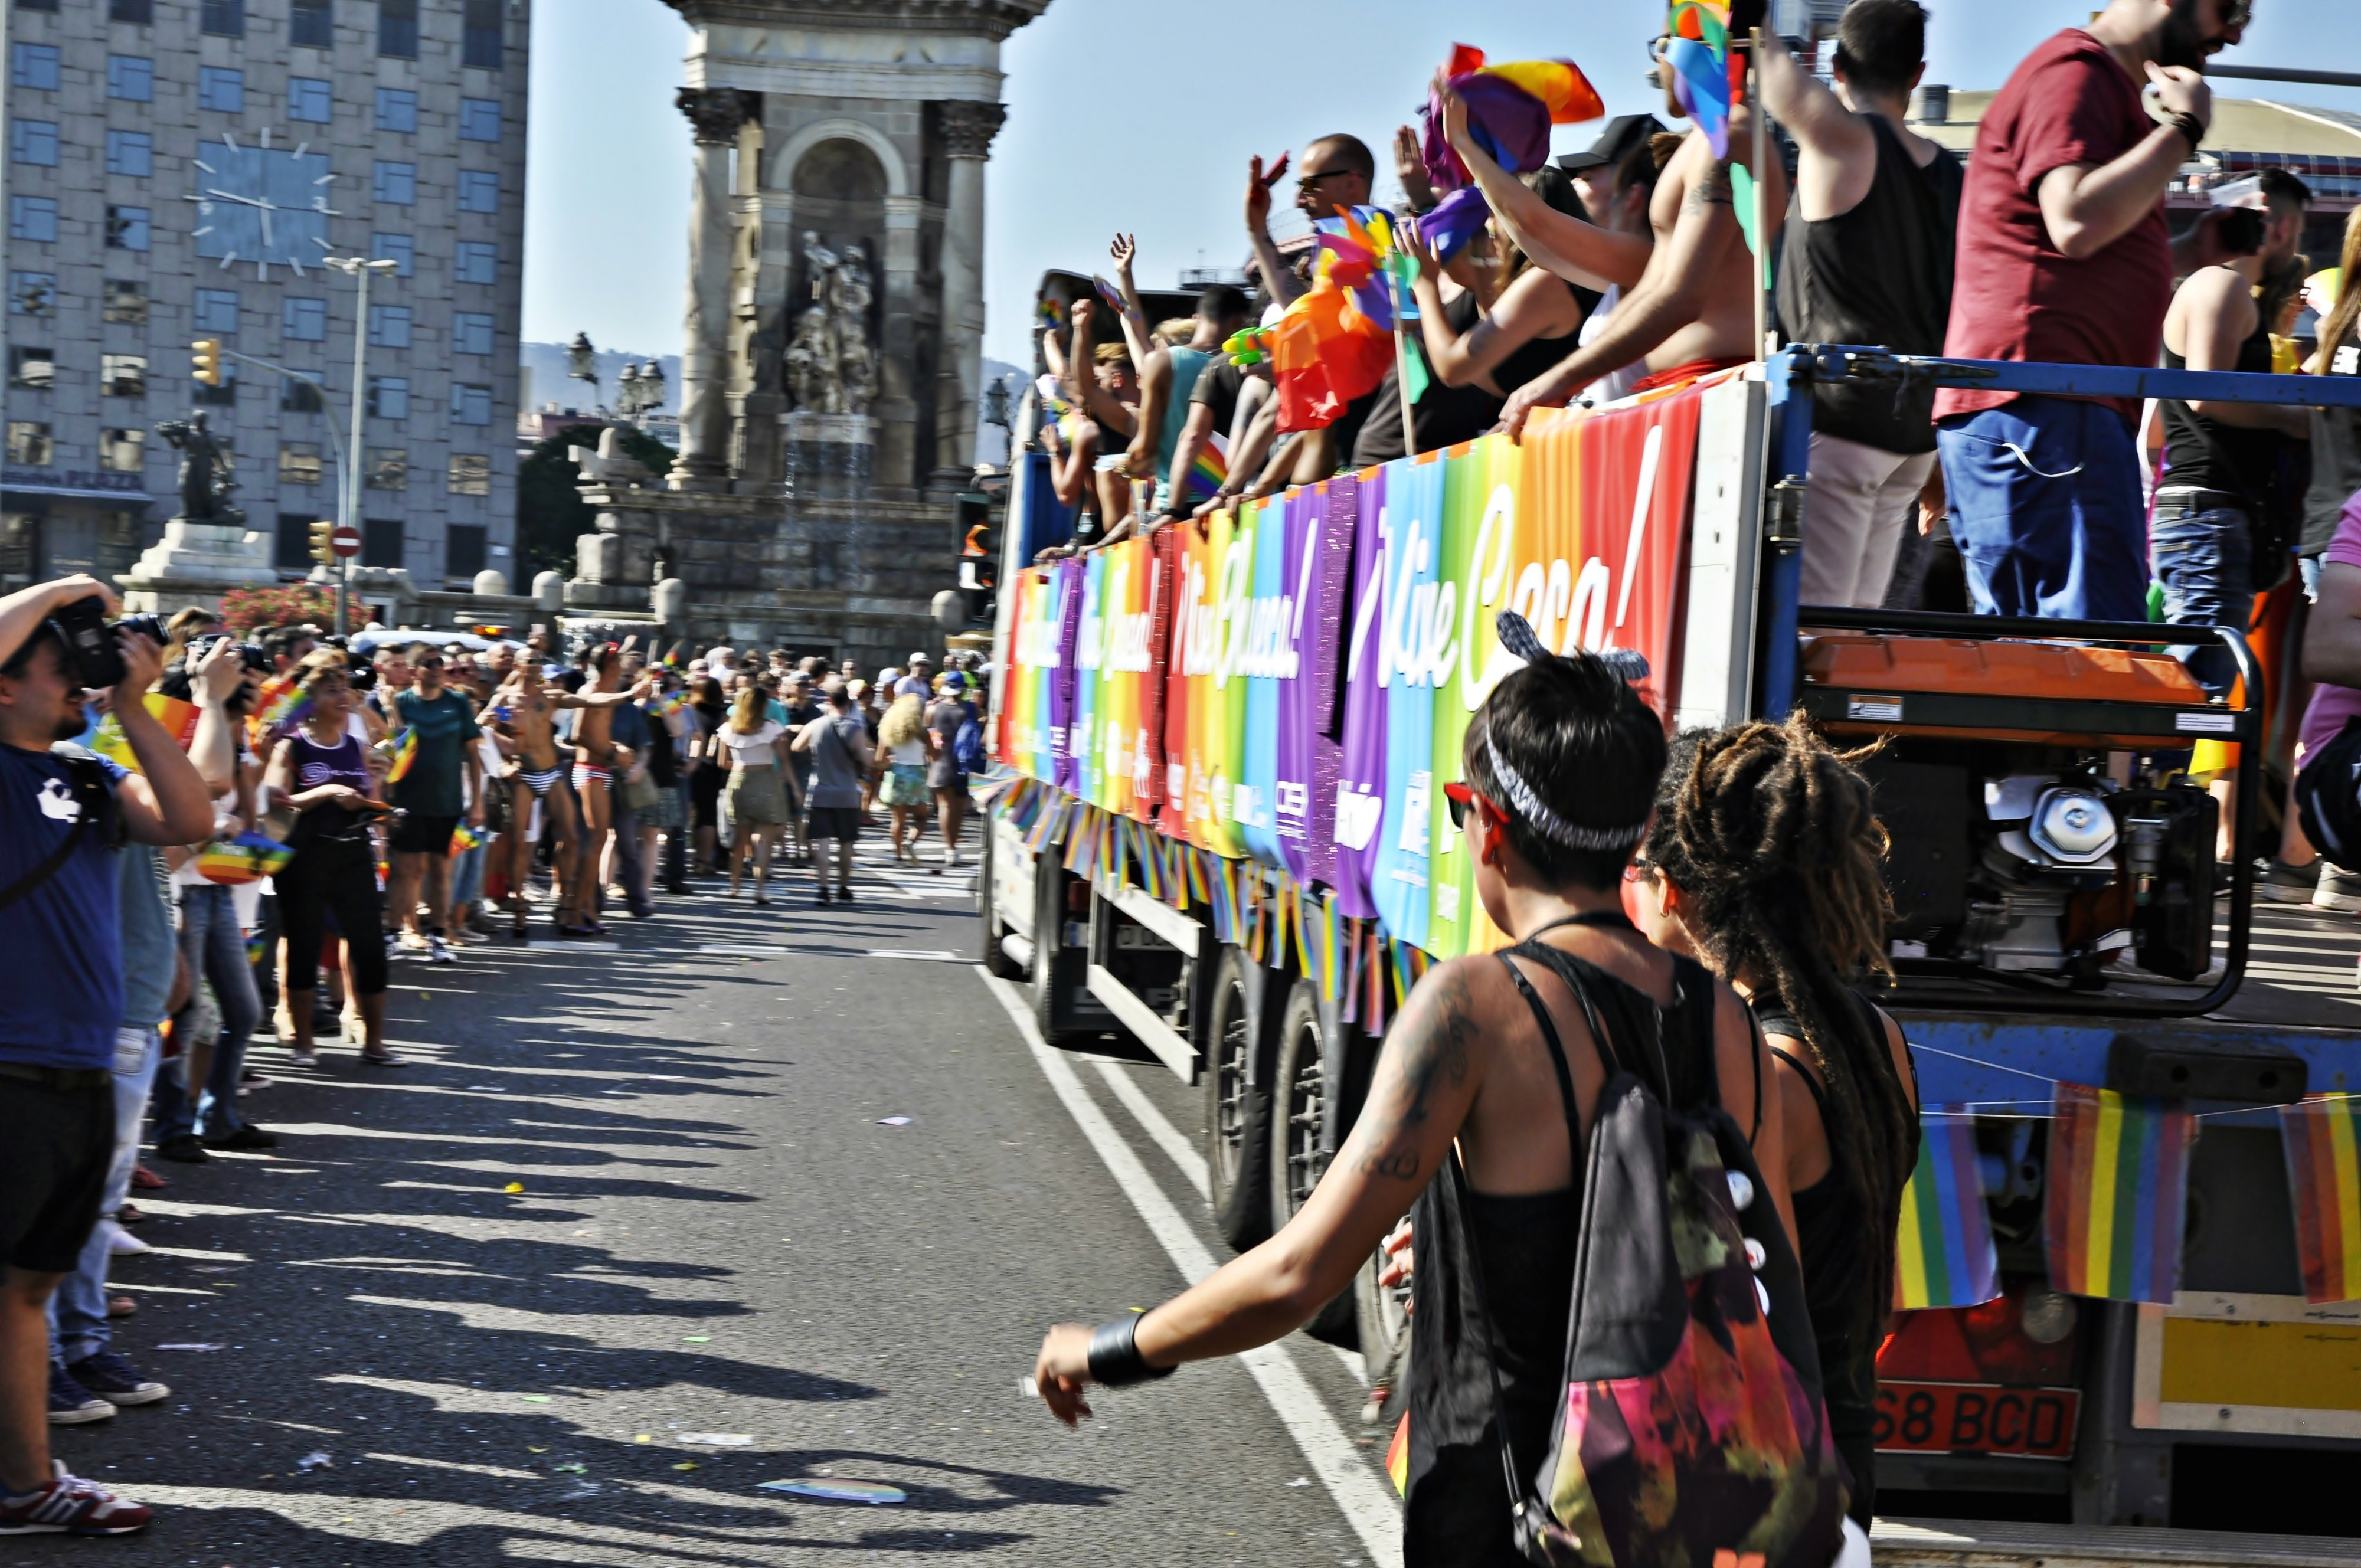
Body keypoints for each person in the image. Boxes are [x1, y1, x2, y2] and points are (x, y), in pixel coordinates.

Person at [1030, 639, 1787, 1568]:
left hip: (1509, 1519)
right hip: (1686, 1521)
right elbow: (1766, 1290)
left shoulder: (1475, 1009)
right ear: (1634, 835)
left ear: (1491, 827)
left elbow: (1296, 1276)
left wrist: (1107, 1348)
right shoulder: (1730, 1021)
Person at [1628, 719, 1920, 1529]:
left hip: (1770, 1478)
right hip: (1844, 1443)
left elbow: (1752, 1317)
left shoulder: (1762, 1075)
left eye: (1640, 873)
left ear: (1675, 893)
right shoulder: (1872, 1035)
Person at [1, 574, 212, 1534]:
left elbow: (189, 819)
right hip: (8, 1065)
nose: (81, 679)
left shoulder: (90, 773)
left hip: (85, 1067)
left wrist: (131, 702)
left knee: (30, 1284)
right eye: (65, 664)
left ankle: (28, 1485)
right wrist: (65, 591)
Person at [1935, 0, 2247, 620]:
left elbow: (2072, 244)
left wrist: (2188, 251)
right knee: (2088, 662)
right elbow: (2074, 219)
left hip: (2046, 405)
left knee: (2042, 662)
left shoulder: (2089, 80)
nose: (2235, 31)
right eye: (2230, 5)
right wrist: (2183, 131)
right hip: (2049, 404)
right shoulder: (2075, 72)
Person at [1445, 33, 1789, 440]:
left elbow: (1682, 296)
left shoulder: (1731, 136)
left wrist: (1558, 380)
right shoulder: (1714, 139)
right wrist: (1469, 149)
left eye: (1663, 43)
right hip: (1681, 392)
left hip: (1710, 388)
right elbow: (1538, 240)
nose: (1658, 61)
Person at [1762, 2, 1963, 608]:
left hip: (1839, 419)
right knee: (1851, 637)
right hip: (1911, 432)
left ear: (1836, 65)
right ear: (1917, 73)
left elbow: (1765, 62)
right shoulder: (1951, 173)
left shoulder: (1843, 140)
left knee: (1812, 636)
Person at [2157, 169, 2314, 696]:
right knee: (2196, 689)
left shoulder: (2222, 289)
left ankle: (2155, 775)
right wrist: (2291, 417)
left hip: (2210, 513)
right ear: (2281, 225)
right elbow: (2206, 394)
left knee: (2203, 683)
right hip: (2209, 513)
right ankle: (2148, 775)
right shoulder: (2219, 285)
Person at [1372, 168, 1592, 464]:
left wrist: (1426, 288)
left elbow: (1453, 369)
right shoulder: (1553, 276)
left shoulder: (1546, 280)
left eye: (1496, 214)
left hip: (1568, 453)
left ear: (1526, 217)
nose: (1489, 225)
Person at [264, 652, 396, 1067]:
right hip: (305, 855)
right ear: (311, 700)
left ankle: (374, 1043)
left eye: (345, 688)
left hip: (353, 853)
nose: (342, 696)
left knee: (370, 947)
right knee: (303, 945)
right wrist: (325, 793)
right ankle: (303, 1041)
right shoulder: (293, 745)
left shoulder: (358, 746)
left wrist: (379, 800)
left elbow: (368, 797)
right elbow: (274, 797)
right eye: (330, 689)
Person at [384, 644, 483, 964]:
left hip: (448, 801)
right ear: (415, 671)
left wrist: (478, 801)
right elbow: (392, 750)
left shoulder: (457, 703)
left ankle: (438, 937)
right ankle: (392, 934)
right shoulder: (399, 703)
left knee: (442, 872)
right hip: (407, 801)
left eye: (441, 662)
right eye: (430, 663)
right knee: (406, 872)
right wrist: (390, 712)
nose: (439, 667)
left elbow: (473, 753)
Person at [1245, 134, 1375, 313]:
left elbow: (1310, 316)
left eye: (1308, 185)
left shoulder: (1385, 251)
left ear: (1351, 184)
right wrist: (1257, 229)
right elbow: (1310, 316)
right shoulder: (1334, 248)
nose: (1298, 201)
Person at [793, 681, 875, 905]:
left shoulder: (815, 725)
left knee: (823, 843)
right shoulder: (854, 729)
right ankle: (843, 888)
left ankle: (822, 889)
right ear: (848, 703)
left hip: (820, 790)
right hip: (847, 792)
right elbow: (867, 760)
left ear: (829, 701)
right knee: (846, 842)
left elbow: (796, 747)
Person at [714, 685, 790, 905]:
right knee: (764, 839)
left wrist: (740, 765)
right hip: (766, 778)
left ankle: (734, 885)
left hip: (738, 780)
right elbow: (783, 758)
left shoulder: (729, 728)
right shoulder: (773, 728)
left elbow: (722, 762)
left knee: (740, 838)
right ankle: (759, 889)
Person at [874, 679, 934, 864]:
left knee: (898, 819)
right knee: (921, 817)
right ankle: (911, 841)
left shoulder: (888, 730)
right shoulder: (922, 732)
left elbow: (879, 760)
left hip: (896, 773)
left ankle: (898, 853)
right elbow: (934, 754)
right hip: (917, 774)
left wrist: (890, 761)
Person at [926, 672, 974, 870]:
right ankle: (953, 848)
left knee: (944, 806)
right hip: (963, 763)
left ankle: (950, 848)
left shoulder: (932, 709)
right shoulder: (969, 709)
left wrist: (930, 758)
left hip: (940, 762)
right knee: (959, 809)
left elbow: (927, 735)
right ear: (963, 689)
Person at [686, 676, 729, 877]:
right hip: (710, 768)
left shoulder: (688, 712)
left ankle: (678, 858)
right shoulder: (722, 716)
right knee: (707, 816)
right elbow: (722, 743)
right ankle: (702, 861)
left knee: (687, 813)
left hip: (687, 765)